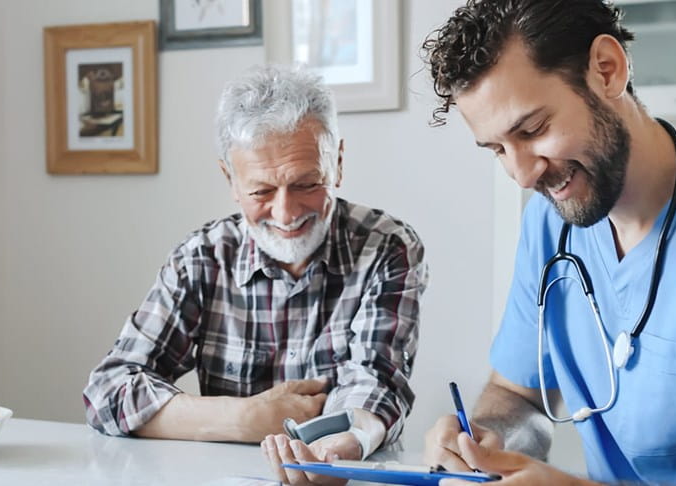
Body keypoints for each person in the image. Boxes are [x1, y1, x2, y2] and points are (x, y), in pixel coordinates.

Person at [419, 0, 676, 484]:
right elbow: (518, 396)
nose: (521, 173)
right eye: (497, 149)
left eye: (532, 130)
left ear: (607, 70)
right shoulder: (550, 223)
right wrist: (486, 442)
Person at [82, 65, 429, 482]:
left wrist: (344, 444)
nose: (286, 213)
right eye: (262, 191)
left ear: (336, 162)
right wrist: (246, 416)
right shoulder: (202, 258)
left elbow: (378, 381)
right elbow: (108, 391)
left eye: (307, 184)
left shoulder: (387, 247)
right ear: (230, 179)